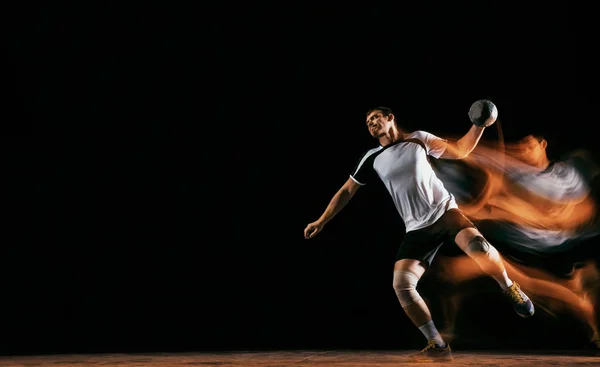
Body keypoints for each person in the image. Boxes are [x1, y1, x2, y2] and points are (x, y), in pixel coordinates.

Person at [303, 105, 535, 363]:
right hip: (415, 229)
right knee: (401, 285)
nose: (370, 123)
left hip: (444, 212)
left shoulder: (419, 139)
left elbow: (461, 149)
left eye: (375, 117)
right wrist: (322, 221)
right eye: (367, 122)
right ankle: (437, 345)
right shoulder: (371, 157)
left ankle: (509, 288)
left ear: (390, 117)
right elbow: (346, 191)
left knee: (479, 247)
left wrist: (478, 124)